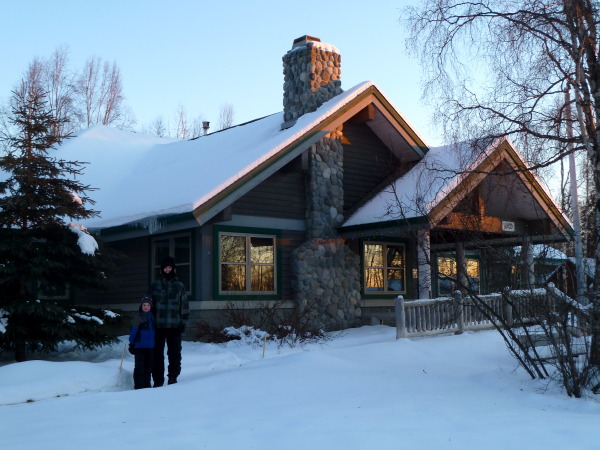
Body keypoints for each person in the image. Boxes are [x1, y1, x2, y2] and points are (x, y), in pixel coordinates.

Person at [149, 256, 189, 386]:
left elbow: (184, 307)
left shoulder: (179, 286)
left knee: (174, 354)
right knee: (157, 355)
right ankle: (158, 380)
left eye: (169, 267)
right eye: (165, 267)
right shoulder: (155, 285)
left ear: (173, 269)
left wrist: (182, 324)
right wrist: (149, 322)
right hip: (158, 326)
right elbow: (148, 305)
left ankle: (173, 377)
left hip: (174, 326)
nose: (167, 269)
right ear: (162, 269)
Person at [129, 297, 155, 389]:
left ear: (151, 307)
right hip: (139, 347)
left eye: (148, 305)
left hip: (150, 347)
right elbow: (133, 332)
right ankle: (139, 385)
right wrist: (131, 344)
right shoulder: (138, 318)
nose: (146, 307)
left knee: (148, 368)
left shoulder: (152, 318)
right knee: (139, 367)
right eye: (144, 305)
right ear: (141, 306)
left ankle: (147, 385)